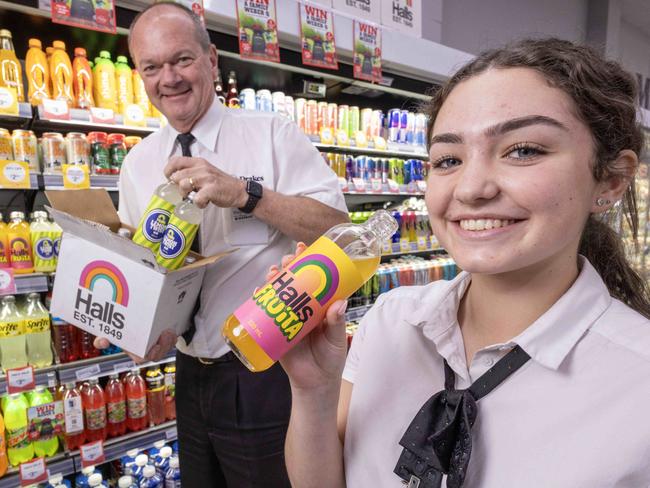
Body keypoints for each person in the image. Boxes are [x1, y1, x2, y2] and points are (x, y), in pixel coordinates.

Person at [280, 38, 650, 487]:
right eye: (448, 159)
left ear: (610, 179)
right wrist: (313, 390)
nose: (471, 188)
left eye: (524, 150)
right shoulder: (391, 321)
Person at [95, 2, 348, 486]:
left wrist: (248, 195)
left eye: (181, 59)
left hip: (270, 370)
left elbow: (337, 228)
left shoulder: (271, 134)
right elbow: (141, 268)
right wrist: (136, 327)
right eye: (152, 67)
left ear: (212, 60)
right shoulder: (138, 163)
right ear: (140, 75)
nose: (168, 78)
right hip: (189, 371)